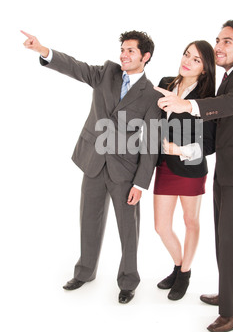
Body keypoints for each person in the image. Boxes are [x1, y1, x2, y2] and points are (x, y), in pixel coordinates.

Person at [21, 29, 162, 304]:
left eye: (130, 50)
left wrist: (141, 183)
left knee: (128, 230)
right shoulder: (107, 73)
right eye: (122, 49)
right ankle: (85, 272)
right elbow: (76, 67)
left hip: (125, 171)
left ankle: (128, 280)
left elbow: (151, 143)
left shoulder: (151, 95)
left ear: (145, 57)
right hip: (94, 162)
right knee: (88, 219)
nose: (123, 54)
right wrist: (43, 50)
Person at [155, 20, 233, 332]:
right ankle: (231, 294)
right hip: (228, 169)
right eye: (218, 40)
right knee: (225, 238)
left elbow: (229, 105)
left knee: (231, 240)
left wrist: (186, 104)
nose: (219, 46)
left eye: (228, 42)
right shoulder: (229, 78)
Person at [154, 40, 216, 301]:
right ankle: (179, 266)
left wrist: (177, 150)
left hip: (191, 167)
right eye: (186, 54)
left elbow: (210, 144)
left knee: (190, 222)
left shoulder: (207, 98)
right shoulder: (166, 83)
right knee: (161, 227)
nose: (187, 61)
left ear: (204, 69)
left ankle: (185, 273)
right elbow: (153, 123)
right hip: (165, 167)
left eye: (196, 59)